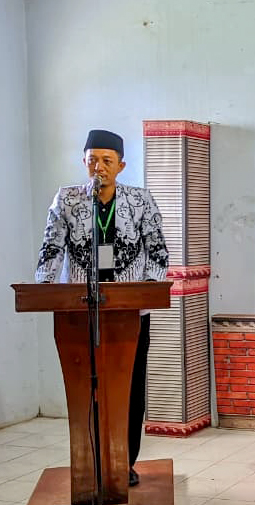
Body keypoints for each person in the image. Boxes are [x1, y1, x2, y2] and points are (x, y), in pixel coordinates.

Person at [35, 129, 169, 486]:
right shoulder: (67, 200)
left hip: (130, 315)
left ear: (121, 165)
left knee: (129, 390)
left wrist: (147, 290)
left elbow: (157, 251)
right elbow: (51, 248)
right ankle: (90, 464)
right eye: (92, 159)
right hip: (80, 311)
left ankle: (124, 463)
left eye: (107, 161)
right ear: (83, 161)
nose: (99, 167)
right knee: (87, 390)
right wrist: (44, 286)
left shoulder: (140, 200)